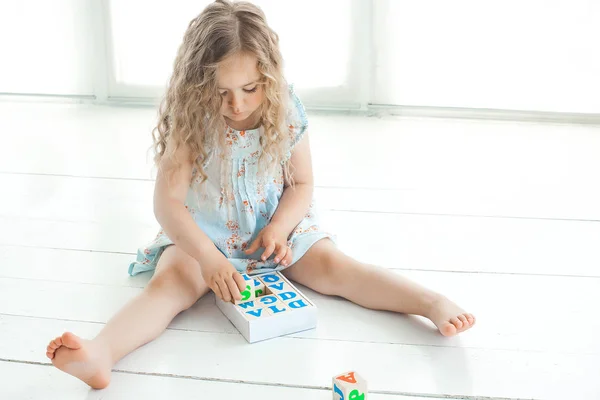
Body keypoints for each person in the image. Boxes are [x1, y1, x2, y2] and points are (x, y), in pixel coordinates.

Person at [45, 0, 475, 389]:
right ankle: (102, 352)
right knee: (171, 283)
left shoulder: (284, 108)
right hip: (202, 232)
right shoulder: (192, 120)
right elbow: (167, 204)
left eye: (250, 88)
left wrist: (281, 228)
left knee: (336, 268)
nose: (237, 105)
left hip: (274, 224)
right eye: (220, 93)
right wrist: (208, 258)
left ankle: (429, 301)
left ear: (268, 76)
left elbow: (301, 184)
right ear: (198, 87)